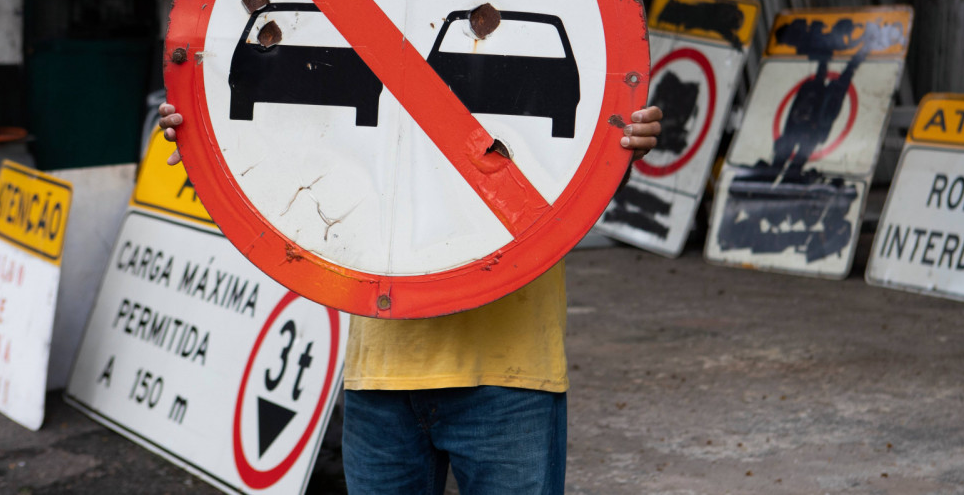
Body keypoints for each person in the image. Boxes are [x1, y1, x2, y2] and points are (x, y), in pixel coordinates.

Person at [159, 102, 662, 495]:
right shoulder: (387, 6)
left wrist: (618, 149)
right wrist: (217, 138)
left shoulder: (527, 14)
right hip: (382, 379)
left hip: (509, 378)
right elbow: (308, 140)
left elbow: (569, 174)